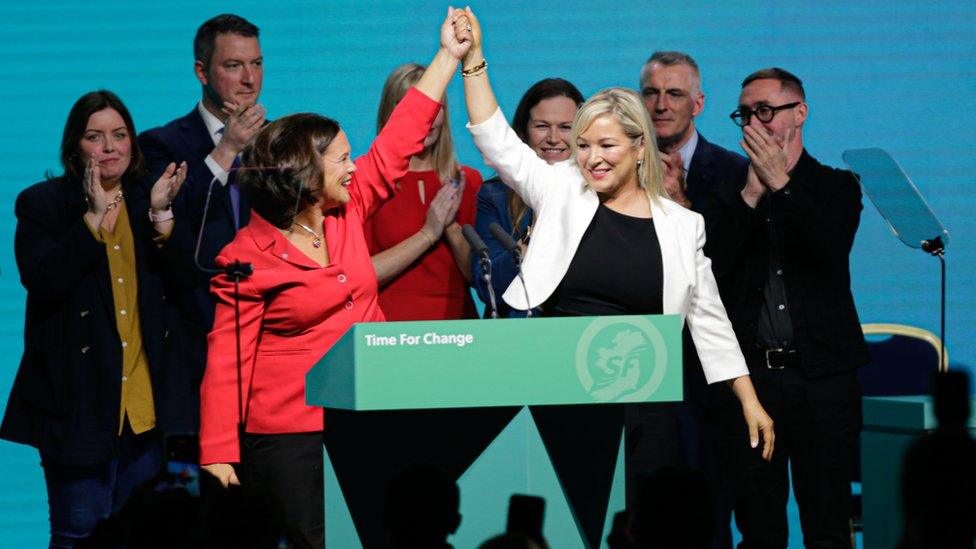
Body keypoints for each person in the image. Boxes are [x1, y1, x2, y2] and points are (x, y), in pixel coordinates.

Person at [455, 6, 774, 492]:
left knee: (645, 520)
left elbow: (708, 319)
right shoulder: (560, 189)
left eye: (606, 145)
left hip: (648, 399)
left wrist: (748, 398)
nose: (591, 158)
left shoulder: (682, 225)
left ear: (639, 146)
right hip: (562, 388)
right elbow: (496, 140)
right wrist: (473, 60)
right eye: (583, 146)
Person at [197, 10, 472, 547]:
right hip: (291, 439)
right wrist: (217, 454)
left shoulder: (346, 210)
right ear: (306, 173)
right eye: (342, 159)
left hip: (369, 414)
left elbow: (401, 135)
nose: (354, 168)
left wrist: (448, 56)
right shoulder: (244, 257)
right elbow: (227, 366)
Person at [0, 90, 195, 548]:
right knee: (79, 537)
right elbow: (43, 280)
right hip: (80, 410)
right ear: (74, 148)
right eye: (95, 136)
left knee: (148, 537)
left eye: (119, 135)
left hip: (151, 413)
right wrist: (92, 217)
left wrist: (164, 214)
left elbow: (188, 285)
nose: (110, 147)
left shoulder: (153, 199)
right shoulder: (42, 204)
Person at [705, 67, 868, 548]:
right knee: (758, 525)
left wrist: (783, 186)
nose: (754, 123)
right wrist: (754, 193)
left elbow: (828, 250)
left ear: (799, 113)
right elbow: (713, 272)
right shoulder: (728, 194)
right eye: (745, 114)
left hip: (823, 380)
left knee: (828, 523)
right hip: (754, 384)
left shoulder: (837, 186)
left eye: (766, 111)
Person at [639, 50, 748, 548]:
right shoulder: (610, 170)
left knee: (710, 513)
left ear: (698, 103)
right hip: (636, 368)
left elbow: (735, 272)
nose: (661, 105)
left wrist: (682, 209)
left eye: (675, 94)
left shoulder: (734, 173)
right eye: (651, 93)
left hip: (709, 376)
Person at [139, 13, 266, 385]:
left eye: (256, 64)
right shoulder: (162, 144)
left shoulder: (280, 143)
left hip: (270, 329)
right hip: (197, 335)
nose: (249, 79)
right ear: (201, 72)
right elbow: (170, 219)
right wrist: (228, 149)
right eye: (233, 65)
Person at [364, 62, 482, 321]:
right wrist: (428, 233)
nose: (425, 118)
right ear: (390, 114)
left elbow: (478, 278)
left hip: (457, 332)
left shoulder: (468, 181)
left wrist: (450, 227)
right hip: (388, 331)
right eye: (412, 108)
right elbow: (360, 276)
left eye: (434, 107)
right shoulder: (368, 182)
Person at [471, 78, 584, 318]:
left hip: (580, 331)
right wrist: (526, 247)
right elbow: (486, 285)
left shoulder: (597, 193)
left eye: (566, 127)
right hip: (517, 335)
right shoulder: (495, 195)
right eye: (542, 126)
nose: (553, 138)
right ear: (523, 131)